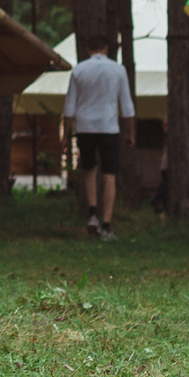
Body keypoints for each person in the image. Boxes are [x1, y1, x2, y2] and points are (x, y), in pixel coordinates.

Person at [64, 34, 136, 240]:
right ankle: (106, 222)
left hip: (85, 127)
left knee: (89, 170)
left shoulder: (78, 70)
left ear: (88, 49)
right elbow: (128, 107)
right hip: (109, 126)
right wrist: (130, 132)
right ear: (106, 49)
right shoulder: (118, 70)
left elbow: (70, 106)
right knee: (109, 174)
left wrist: (66, 134)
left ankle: (93, 214)